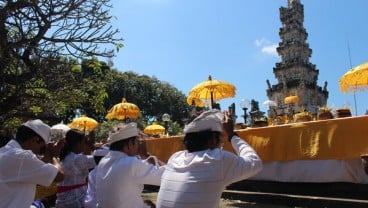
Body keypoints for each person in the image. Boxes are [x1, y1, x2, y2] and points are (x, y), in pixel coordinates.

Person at [156, 109, 263, 208]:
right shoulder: (218, 159)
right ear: (212, 139)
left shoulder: (175, 158)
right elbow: (255, 163)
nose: (221, 142)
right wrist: (231, 135)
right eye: (220, 138)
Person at [95, 122, 165, 208]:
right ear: (130, 144)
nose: (138, 145)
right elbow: (166, 177)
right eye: (137, 142)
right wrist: (146, 155)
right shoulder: (130, 163)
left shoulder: (103, 162)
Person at [0, 119, 64, 208]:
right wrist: (51, 154)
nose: (39, 153)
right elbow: (59, 176)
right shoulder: (22, 156)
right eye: (42, 148)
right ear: (34, 140)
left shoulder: (6, 152)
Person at [55, 129, 96, 208]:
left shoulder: (65, 156)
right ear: (78, 143)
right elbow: (100, 159)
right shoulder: (77, 159)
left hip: (63, 200)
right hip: (75, 201)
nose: (85, 146)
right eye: (84, 143)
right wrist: (91, 145)